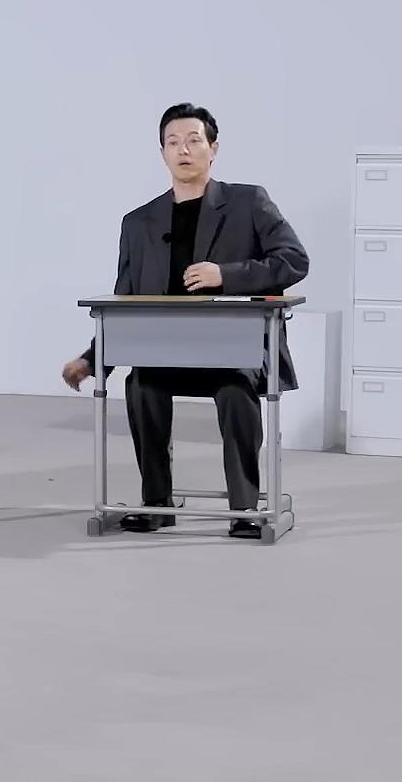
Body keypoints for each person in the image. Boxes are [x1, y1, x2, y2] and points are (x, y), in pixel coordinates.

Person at [61, 103, 309, 539]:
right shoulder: (138, 222)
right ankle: (157, 503)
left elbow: (293, 260)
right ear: (162, 153)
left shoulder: (249, 202)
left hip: (234, 351)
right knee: (142, 384)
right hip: (167, 351)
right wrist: (92, 358)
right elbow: (125, 303)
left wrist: (225, 275)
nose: (184, 150)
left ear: (214, 149)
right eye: (173, 142)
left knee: (235, 391)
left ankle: (245, 509)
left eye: (194, 141)